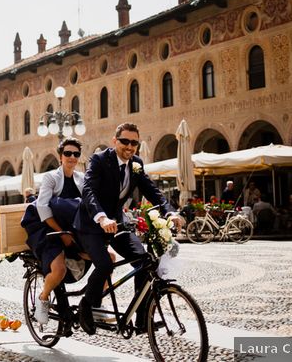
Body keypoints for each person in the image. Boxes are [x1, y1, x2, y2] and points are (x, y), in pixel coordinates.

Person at [74, 123, 180, 335]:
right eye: (125, 141)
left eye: (134, 142)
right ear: (115, 141)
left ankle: (142, 319)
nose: (129, 146)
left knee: (144, 262)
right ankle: (86, 305)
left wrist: (170, 212)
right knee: (104, 265)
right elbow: (89, 190)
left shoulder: (136, 164)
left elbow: (152, 191)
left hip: (117, 223)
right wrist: (101, 217)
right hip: (91, 224)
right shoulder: (100, 159)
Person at [25, 137, 86, 325]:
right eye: (67, 153)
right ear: (60, 156)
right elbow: (43, 207)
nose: (72, 157)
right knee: (58, 270)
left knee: (107, 259)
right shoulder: (51, 177)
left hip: (73, 230)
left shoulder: (81, 179)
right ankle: (43, 298)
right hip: (48, 229)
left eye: (76, 154)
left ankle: (93, 304)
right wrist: (62, 233)